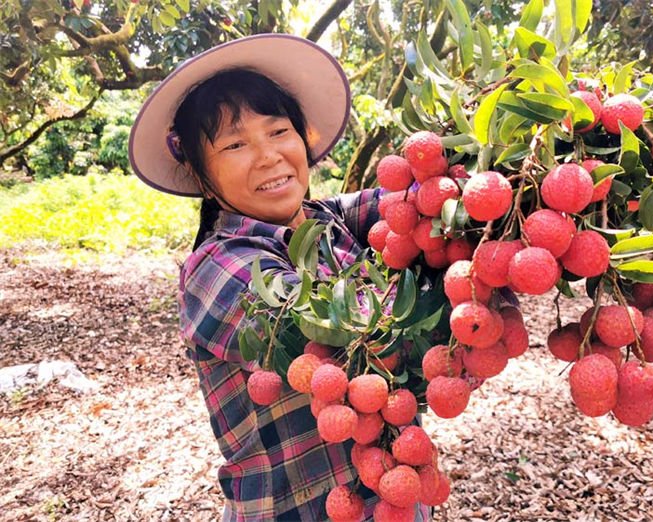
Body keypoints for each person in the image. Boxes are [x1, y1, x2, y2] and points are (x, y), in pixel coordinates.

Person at [128, 34, 432, 521]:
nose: (268, 155)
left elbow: (419, 201)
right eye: (234, 143)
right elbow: (331, 333)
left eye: (278, 131)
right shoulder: (217, 271)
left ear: (303, 140)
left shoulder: (324, 220)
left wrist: (513, 174)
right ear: (204, 179)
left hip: (393, 498)